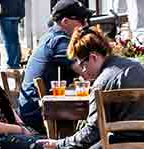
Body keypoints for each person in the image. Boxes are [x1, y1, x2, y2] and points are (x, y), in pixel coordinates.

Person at [17, 0, 90, 134]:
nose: (86, 24)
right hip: (40, 115)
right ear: (65, 22)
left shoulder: (50, 36)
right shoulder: (59, 42)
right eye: (81, 20)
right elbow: (88, 73)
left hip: (36, 109)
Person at [0, 0, 23, 69]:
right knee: (15, 39)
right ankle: (16, 62)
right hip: (16, 12)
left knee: (8, 40)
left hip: (5, 13)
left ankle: (12, 63)